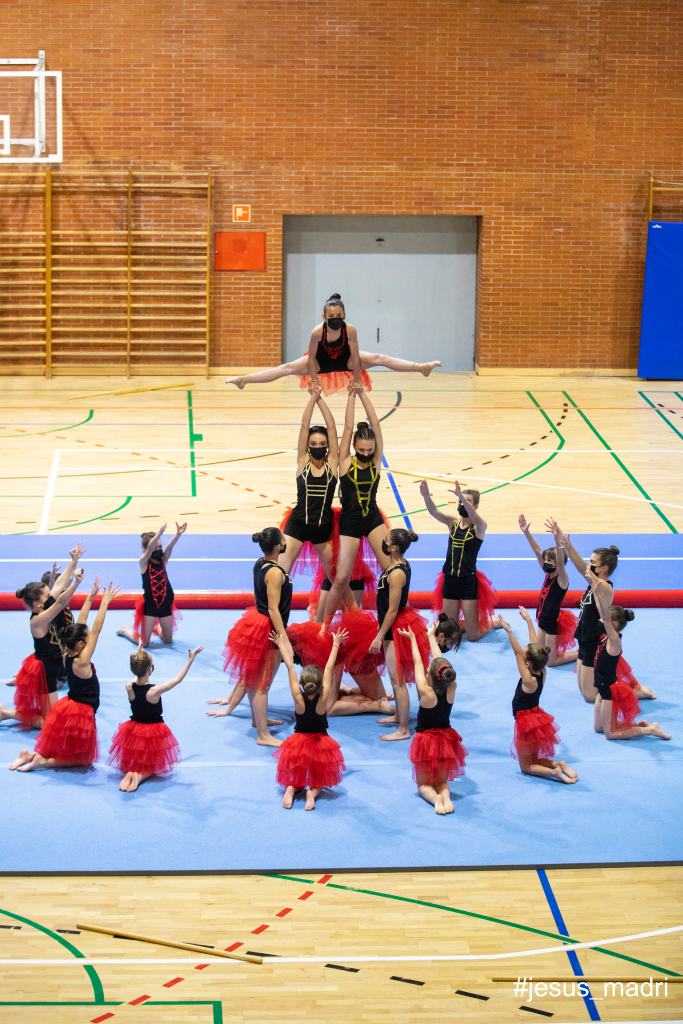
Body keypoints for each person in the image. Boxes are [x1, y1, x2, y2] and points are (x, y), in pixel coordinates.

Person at [227, 292, 441, 394]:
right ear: (324, 317)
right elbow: (310, 359)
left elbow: (355, 357)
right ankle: (245, 379)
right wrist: (314, 381)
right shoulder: (317, 332)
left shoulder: (350, 330)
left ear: (344, 314)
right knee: (287, 368)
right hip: (319, 362)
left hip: (346, 360)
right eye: (332, 316)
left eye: (340, 315)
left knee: (379, 358)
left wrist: (356, 380)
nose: (336, 318)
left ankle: (420, 367)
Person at [9, 583, 120, 772]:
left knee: (66, 748)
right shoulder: (82, 661)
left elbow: (82, 623)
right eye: (86, 638)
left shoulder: (67, 653)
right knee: (82, 760)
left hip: (71, 706)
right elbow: (96, 630)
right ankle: (41, 762)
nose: (89, 637)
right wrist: (105, 603)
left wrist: (90, 598)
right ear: (81, 644)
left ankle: (31, 755)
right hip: (82, 711)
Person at [209, 528, 293, 747]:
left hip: (257, 622)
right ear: (278, 546)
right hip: (268, 628)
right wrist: (283, 638)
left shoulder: (260, 563)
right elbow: (273, 609)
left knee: (256, 679)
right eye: (284, 540)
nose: (286, 542)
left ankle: (258, 720)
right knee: (261, 684)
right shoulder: (275, 573)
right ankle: (263, 735)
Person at [322, 386, 391, 625]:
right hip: (350, 521)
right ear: (353, 447)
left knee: (391, 571)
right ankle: (325, 626)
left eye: (369, 450)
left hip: (372, 519)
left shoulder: (375, 461)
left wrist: (363, 394)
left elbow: (376, 425)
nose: (366, 453)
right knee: (342, 578)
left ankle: (388, 619)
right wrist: (351, 396)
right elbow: (348, 427)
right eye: (361, 450)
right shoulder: (345, 461)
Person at [3, 547, 86, 729]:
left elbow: (58, 585)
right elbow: (61, 602)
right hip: (45, 671)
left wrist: (74, 561)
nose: (50, 597)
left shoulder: (43, 605)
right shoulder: (38, 620)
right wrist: (76, 583)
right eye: (47, 596)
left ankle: (7, 713)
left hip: (53, 665)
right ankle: (6, 713)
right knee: (50, 724)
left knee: (50, 717)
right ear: (37, 603)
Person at [588, 569, 670, 742]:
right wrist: (594, 590)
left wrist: (597, 589)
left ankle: (650, 730)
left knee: (609, 734)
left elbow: (604, 616)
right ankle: (640, 725)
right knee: (598, 728)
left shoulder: (614, 641)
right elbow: (601, 613)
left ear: (614, 624)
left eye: (606, 620)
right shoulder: (605, 635)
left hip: (608, 691)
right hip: (601, 689)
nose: (602, 621)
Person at [109, 642, 203, 792]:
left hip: (134, 731)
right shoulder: (154, 691)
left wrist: (139, 652)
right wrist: (190, 659)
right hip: (153, 732)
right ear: (150, 669)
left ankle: (131, 773)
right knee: (150, 767)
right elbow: (177, 679)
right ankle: (139, 777)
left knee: (137, 761)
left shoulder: (129, 686)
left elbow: (136, 675)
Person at [499, 608, 578, 784]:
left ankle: (555, 772)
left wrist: (509, 630)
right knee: (534, 757)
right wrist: (528, 621)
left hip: (526, 723)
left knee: (526, 766)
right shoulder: (542, 670)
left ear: (528, 663)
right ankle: (558, 764)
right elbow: (534, 646)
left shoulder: (528, 679)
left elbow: (517, 653)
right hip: (537, 719)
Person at [270, 629, 347, 810]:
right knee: (319, 781)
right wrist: (336, 644)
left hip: (298, 744)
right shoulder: (323, 698)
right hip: (320, 744)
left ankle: (291, 788)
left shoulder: (298, 698)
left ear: (303, 685)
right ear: (321, 685)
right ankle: (311, 794)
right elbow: (329, 668)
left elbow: (290, 667)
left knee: (296, 777)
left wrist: (281, 645)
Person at [546, 521, 619, 703]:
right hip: (583, 636)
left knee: (590, 696)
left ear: (604, 568)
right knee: (583, 690)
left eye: (593, 562)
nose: (589, 565)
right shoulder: (593, 581)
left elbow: (585, 572)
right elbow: (582, 567)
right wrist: (566, 544)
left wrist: (570, 550)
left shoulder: (605, 587)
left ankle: (632, 691)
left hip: (593, 641)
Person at [421, 479, 497, 641]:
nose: (462, 503)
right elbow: (434, 512)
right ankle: (465, 624)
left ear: (475, 506)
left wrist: (461, 496)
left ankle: (493, 621)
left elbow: (475, 517)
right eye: (460, 501)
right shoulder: (453, 523)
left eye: (467, 501)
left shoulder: (479, 527)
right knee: (449, 633)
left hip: (468, 581)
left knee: (473, 636)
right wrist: (426, 496)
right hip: (450, 580)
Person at [402, 625, 467, 814]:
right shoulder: (452, 687)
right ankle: (446, 797)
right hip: (446, 741)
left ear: (430, 676)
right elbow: (441, 662)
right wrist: (430, 636)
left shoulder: (426, 692)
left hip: (426, 742)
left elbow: (417, 662)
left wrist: (413, 639)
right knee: (442, 782)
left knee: (423, 785)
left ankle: (436, 800)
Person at [278, 388, 339, 586]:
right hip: (298, 524)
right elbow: (305, 425)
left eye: (322, 443)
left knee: (337, 579)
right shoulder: (302, 461)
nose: (317, 446)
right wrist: (313, 397)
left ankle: (350, 606)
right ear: (308, 445)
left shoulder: (332, 463)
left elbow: (332, 427)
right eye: (313, 443)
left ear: (327, 445)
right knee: (279, 574)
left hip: (323, 527)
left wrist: (320, 398)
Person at [518, 514, 577, 666]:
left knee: (550, 662)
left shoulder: (562, 580)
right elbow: (538, 551)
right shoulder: (548, 573)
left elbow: (560, 562)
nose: (546, 562)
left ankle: (579, 653)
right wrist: (526, 532)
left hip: (552, 622)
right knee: (537, 654)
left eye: (550, 560)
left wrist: (557, 540)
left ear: (558, 563)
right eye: (546, 560)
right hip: (542, 619)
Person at [117, 522, 185, 647]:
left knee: (168, 640)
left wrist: (178, 535)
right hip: (151, 606)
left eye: (160, 546)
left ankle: (156, 628)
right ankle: (126, 631)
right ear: (146, 550)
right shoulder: (143, 563)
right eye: (156, 547)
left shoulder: (163, 561)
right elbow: (149, 549)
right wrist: (159, 534)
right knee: (144, 644)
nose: (159, 550)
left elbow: (169, 548)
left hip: (166, 603)